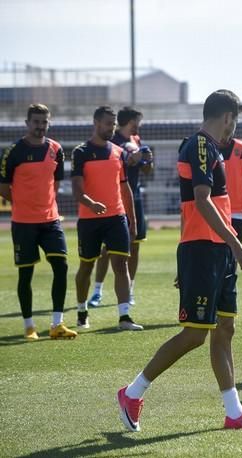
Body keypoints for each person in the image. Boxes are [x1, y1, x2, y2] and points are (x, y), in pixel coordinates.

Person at [117, 90, 242, 431]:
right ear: (227, 117)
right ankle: (132, 392)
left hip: (213, 250)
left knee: (225, 329)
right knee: (194, 334)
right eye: (235, 120)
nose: (233, 128)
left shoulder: (211, 149)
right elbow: (202, 202)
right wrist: (236, 244)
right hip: (205, 250)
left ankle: (234, 413)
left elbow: (189, 206)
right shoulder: (202, 146)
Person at [0, 104, 77, 340]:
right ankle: (29, 326)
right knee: (26, 275)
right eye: (36, 122)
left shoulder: (56, 149)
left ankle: (57, 324)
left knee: (61, 267)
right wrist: (24, 204)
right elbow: (3, 188)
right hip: (23, 223)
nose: (40, 126)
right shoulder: (14, 152)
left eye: (44, 122)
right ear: (27, 123)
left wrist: (44, 206)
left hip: (50, 220)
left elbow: (54, 183)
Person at [71, 106, 143, 331]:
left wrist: (132, 220)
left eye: (113, 124)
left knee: (120, 265)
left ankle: (124, 317)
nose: (111, 128)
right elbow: (76, 190)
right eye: (107, 124)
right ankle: (82, 311)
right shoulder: (80, 152)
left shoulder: (118, 152)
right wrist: (92, 204)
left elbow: (125, 187)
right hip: (89, 219)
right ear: (96, 123)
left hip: (116, 217)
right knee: (86, 266)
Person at [88, 107, 153, 307]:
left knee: (135, 245)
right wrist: (128, 159)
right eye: (137, 121)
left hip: (135, 198)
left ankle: (129, 290)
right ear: (131, 121)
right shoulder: (111, 140)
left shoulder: (137, 141)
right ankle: (97, 291)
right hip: (114, 199)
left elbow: (147, 171)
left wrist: (147, 161)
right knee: (107, 248)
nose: (139, 125)